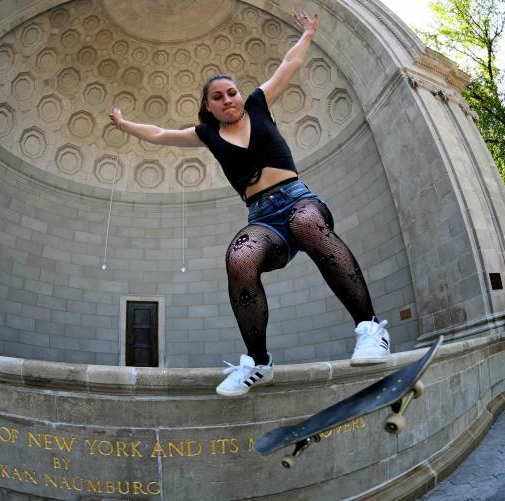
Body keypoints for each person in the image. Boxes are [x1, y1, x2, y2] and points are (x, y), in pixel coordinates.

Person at [108, 11, 391, 397]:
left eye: (231, 92)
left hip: (298, 200)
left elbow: (289, 64)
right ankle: (259, 363)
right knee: (239, 259)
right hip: (263, 219)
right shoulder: (206, 134)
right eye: (218, 97)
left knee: (308, 225)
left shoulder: (258, 104)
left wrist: (307, 33)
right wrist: (124, 125)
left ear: (240, 95)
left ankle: (370, 328)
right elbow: (160, 133)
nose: (228, 100)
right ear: (207, 107)